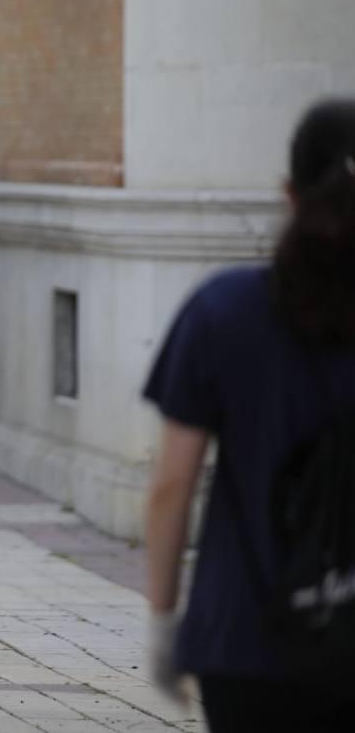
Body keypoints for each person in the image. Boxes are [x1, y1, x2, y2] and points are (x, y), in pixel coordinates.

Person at [142, 99, 355, 732]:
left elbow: (171, 484)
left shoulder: (224, 310)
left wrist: (162, 620)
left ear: (289, 193)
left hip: (244, 636)